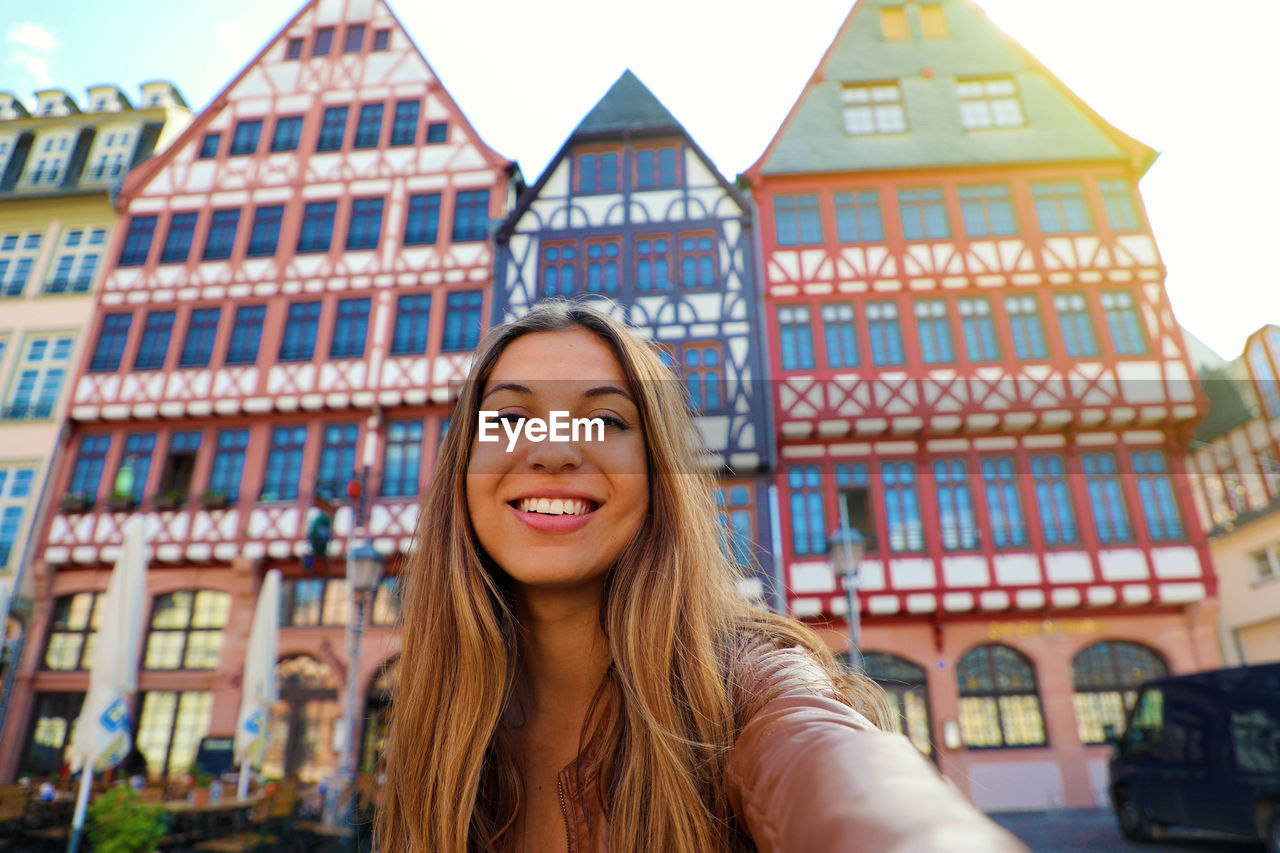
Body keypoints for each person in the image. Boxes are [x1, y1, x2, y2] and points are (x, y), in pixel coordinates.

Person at [378, 301, 1025, 852]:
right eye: (511, 418)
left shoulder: (743, 687)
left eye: (605, 420)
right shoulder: (436, 719)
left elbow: (838, 766)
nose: (552, 449)